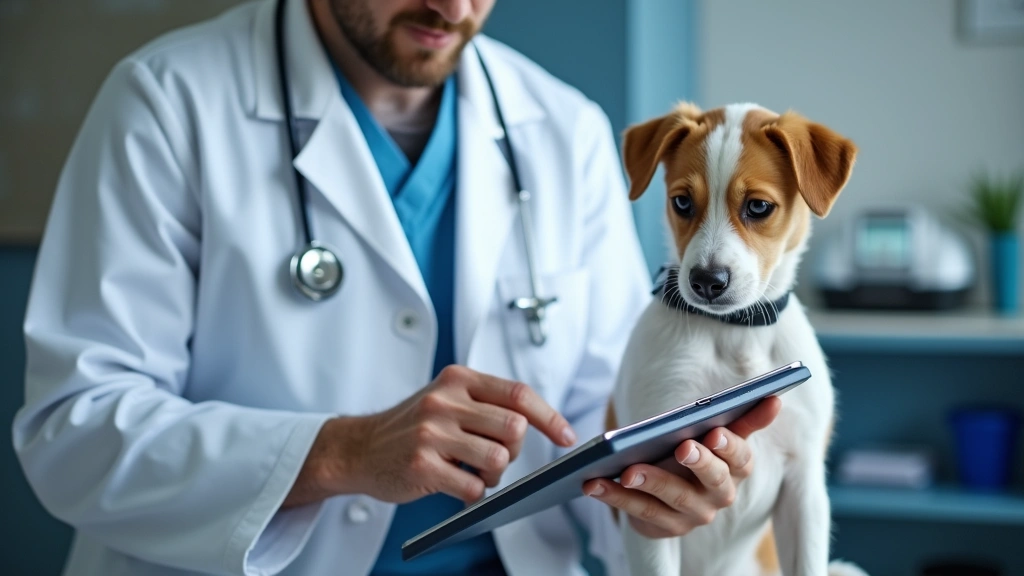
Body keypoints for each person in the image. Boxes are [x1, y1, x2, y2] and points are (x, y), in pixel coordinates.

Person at [12, 0, 781, 574]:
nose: (453, 8)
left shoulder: (565, 129)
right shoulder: (165, 103)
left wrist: (653, 496)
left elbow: (599, 414)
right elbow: (75, 431)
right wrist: (339, 452)